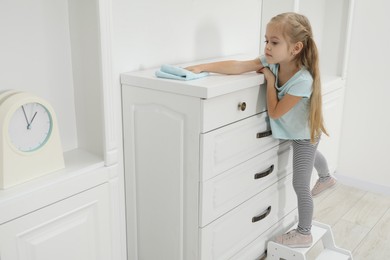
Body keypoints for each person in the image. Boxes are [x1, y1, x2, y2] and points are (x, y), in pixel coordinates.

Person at [186, 12, 337, 248]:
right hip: (293, 131)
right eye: (266, 40)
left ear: (295, 48)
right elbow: (240, 66)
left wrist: (268, 80)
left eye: (274, 42)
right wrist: (203, 67)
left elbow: (275, 112)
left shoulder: (302, 80)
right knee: (308, 157)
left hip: (305, 134)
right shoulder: (274, 61)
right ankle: (327, 177)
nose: (267, 47)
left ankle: (304, 232)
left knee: (300, 181)